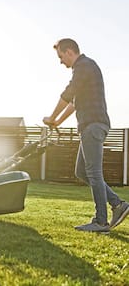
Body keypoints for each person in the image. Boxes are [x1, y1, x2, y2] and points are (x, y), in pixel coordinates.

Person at [43, 38, 129, 233]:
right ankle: (119, 205)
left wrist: (52, 116)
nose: (60, 62)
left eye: (61, 56)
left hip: (93, 125)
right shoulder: (85, 69)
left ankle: (100, 222)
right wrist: (57, 122)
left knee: (94, 173)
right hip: (90, 126)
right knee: (82, 171)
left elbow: (68, 93)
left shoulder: (84, 66)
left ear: (70, 52)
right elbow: (73, 103)